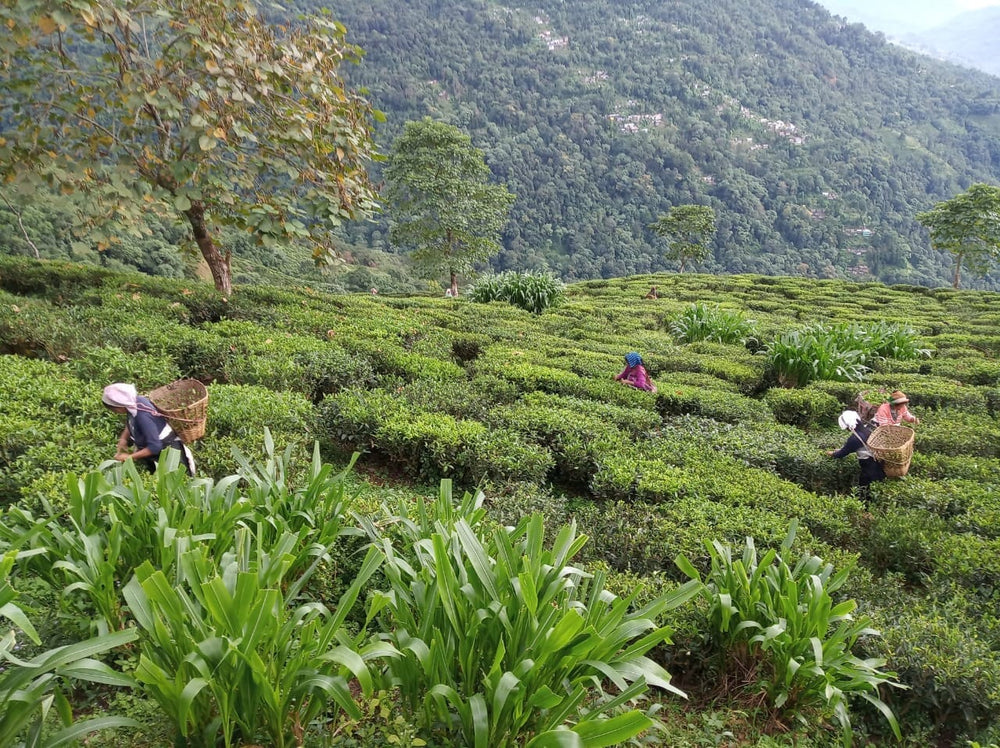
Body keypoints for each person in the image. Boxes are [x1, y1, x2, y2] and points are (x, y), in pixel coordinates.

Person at [102, 383, 195, 476]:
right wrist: (123, 439)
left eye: (114, 410)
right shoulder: (135, 402)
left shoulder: (143, 417)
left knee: (174, 484)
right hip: (155, 454)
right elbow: (130, 421)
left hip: (169, 454)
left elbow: (155, 447)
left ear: (120, 407)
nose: (115, 412)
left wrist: (129, 457)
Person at [827, 410, 884, 504]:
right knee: (875, 489)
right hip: (878, 464)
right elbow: (852, 448)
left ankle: (866, 510)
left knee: (865, 490)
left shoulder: (855, 438)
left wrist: (832, 453)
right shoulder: (866, 429)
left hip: (870, 468)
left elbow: (842, 453)